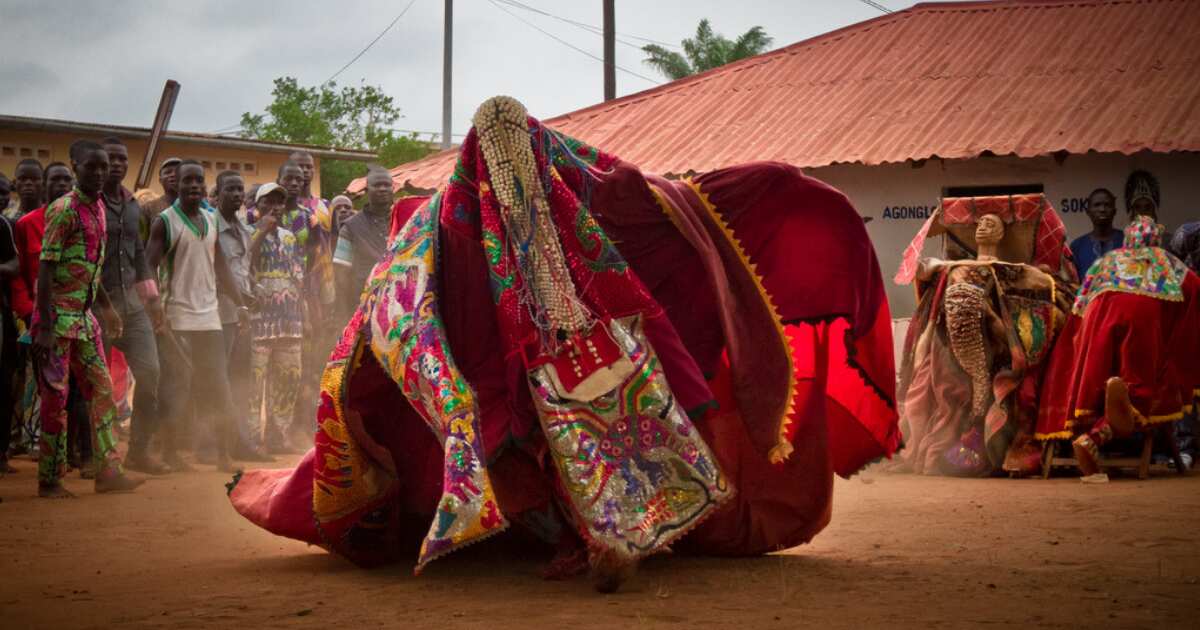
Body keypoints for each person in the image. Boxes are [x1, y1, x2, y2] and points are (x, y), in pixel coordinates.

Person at [229, 96, 900, 591]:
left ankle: (609, 535)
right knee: (561, 436)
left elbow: (649, 203)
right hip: (518, 360)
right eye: (496, 157)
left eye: (515, 152)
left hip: (576, 345)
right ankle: (600, 534)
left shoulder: (578, 194)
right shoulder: (450, 222)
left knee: (599, 427)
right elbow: (401, 306)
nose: (507, 168)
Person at [894, 196, 1076, 477]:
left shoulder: (1016, 271)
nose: (983, 227)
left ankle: (1010, 442)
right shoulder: (952, 268)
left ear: (1003, 233)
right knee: (946, 380)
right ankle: (963, 439)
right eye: (979, 223)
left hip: (1001, 333)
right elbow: (923, 271)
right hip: (961, 337)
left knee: (1020, 380)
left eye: (991, 224)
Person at [1037, 215, 1200, 475]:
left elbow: (1078, 309)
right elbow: (1194, 292)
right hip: (1141, 323)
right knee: (1141, 385)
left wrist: (1078, 349)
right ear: (1156, 239)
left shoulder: (1107, 262)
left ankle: (1090, 424)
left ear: (1127, 240)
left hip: (1097, 321)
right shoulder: (1166, 262)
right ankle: (1095, 436)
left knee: (1095, 377)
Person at [31, 139, 143, 497]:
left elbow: (93, 267)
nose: (99, 172)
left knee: (103, 393)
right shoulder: (64, 210)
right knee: (55, 401)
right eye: (91, 166)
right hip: (57, 322)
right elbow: (45, 269)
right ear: (75, 167)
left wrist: (106, 308)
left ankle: (109, 472)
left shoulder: (98, 209)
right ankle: (50, 479)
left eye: (103, 166)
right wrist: (45, 327)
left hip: (85, 319)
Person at [146, 159, 248, 472]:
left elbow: (220, 266)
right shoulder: (165, 221)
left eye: (198, 181)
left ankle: (222, 455)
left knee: (217, 384)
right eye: (187, 180)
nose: (193, 186)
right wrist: (154, 308)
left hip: (209, 317)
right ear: (176, 184)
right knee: (177, 386)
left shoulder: (210, 219)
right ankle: (171, 453)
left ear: (206, 187)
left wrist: (240, 302)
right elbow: (149, 265)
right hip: (176, 314)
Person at [97, 137, 168, 474]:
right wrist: (106, 306)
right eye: (111, 158)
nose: (117, 164)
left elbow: (139, 254)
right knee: (94, 387)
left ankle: (138, 451)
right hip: (97, 306)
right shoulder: (87, 204)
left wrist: (153, 300)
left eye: (122, 159)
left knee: (151, 372)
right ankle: (91, 456)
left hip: (132, 304)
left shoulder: (130, 204)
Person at [11, 163, 75, 457]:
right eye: (55, 180)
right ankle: (37, 440)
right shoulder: (25, 224)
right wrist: (28, 313)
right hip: (37, 318)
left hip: (74, 316)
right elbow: (19, 275)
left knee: (73, 384)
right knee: (42, 379)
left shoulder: (80, 219)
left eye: (66, 180)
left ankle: (73, 446)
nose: (61, 185)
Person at [213, 170, 269, 462]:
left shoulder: (244, 229)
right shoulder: (211, 227)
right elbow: (217, 272)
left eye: (239, 190)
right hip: (218, 313)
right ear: (217, 194)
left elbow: (244, 270)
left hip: (242, 314)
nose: (236, 194)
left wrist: (255, 289)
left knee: (239, 379)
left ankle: (239, 441)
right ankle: (217, 443)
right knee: (220, 379)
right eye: (230, 189)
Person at [245, 183, 305, 455]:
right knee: (254, 383)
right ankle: (253, 439)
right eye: (269, 202)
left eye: (280, 202)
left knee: (288, 379)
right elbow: (245, 263)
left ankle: (279, 435)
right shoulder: (248, 233)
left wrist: (304, 311)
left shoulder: (290, 237)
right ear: (257, 206)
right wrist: (261, 232)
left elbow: (298, 276)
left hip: (289, 320)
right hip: (259, 320)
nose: (275, 207)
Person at [332, 167, 392, 324]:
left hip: (399, 304)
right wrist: (347, 310)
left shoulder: (407, 219)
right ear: (367, 190)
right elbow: (341, 273)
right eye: (377, 185)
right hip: (364, 303)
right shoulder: (351, 227)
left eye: (386, 185)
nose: (382, 189)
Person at [0, 210, 19, 473]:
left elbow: (16, 263)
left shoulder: (1, 224)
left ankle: (1, 453)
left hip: (0, 315)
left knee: (3, 383)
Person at [1070, 188, 1123, 279]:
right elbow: (1073, 283)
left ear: (1114, 211)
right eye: (1097, 205)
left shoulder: (1127, 241)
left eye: (1107, 205)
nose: (1102, 209)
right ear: (1088, 212)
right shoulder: (1077, 246)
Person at [138, 157, 181, 242]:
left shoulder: (196, 209)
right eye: (168, 172)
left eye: (178, 172)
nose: (173, 175)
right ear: (160, 180)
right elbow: (140, 243)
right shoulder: (147, 208)